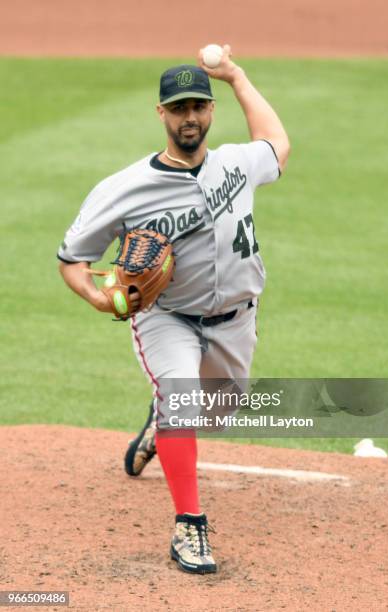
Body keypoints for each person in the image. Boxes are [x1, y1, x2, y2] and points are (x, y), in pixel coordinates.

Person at [58, 45, 290, 575]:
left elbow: (277, 144)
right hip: (167, 318)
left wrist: (236, 76)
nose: (190, 117)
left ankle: (155, 425)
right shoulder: (122, 189)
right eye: (179, 108)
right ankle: (190, 526)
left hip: (236, 318)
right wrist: (96, 296)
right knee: (181, 403)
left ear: (211, 111)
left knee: (215, 411)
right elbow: (73, 258)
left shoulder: (236, 162)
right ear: (161, 113)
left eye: (199, 107)